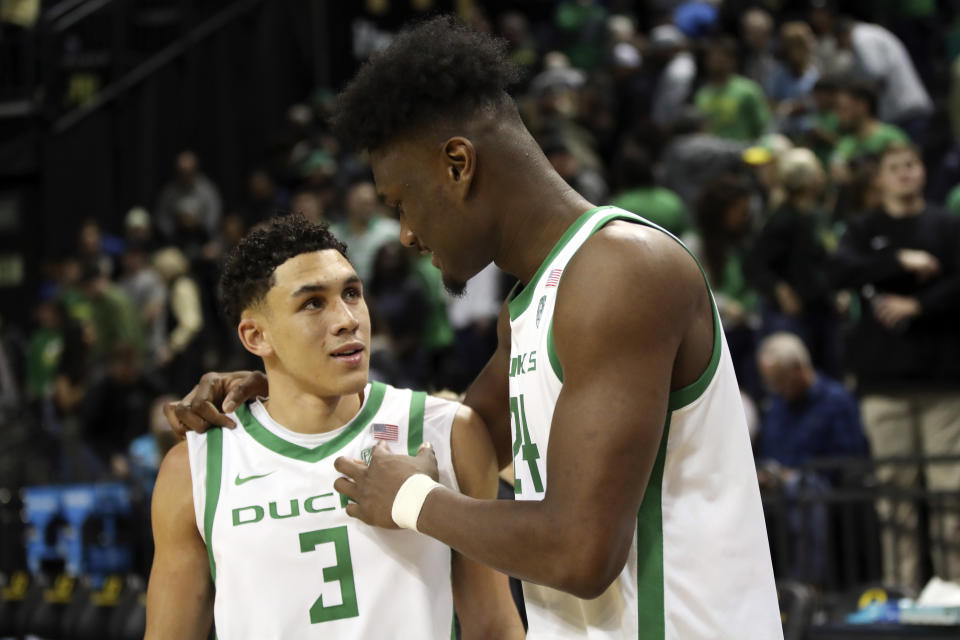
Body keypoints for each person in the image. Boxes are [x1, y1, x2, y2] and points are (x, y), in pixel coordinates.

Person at [166, 17, 782, 639]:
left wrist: (414, 502)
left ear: (458, 164)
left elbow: (580, 552)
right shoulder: (538, 303)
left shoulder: (621, 271)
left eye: (403, 202)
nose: (406, 233)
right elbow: (454, 437)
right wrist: (280, 386)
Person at [146, 215, 523, 638]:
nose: (347, 319)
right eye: (313, 303)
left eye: (351, 293)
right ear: (255, 337)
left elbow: (494, 628)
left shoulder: (447, 431)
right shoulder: (194, 468)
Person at [830, 142, 960, 589]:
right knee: (894, 493)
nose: (905, 173)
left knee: (950, 490)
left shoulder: (947, 225)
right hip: (882, 382)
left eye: (912, 164)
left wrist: (917, 306)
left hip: (943, 382)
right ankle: (900, 588)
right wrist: (898, 261)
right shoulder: (863, 229)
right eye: (895, 167)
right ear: (879, 179)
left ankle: (953, 590)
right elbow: (838, 271)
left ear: (923, 172)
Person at [694, 35, 771, 142]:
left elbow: (763, 129)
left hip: (742, 153)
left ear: (733, 60)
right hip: (711, 154)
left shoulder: (748, 90)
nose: (717, 61)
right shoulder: (702, 94)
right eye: (713, 57)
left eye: (722, 56)